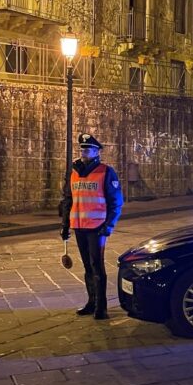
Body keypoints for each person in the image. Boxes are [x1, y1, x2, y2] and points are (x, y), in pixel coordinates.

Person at [60, 133, 123, 320]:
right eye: (82, 148)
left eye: (88, 149)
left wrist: (108, 226)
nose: (84, 152)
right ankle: (91, 302)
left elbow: (116, 202)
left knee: (97, 266)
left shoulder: (106, 172)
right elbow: (68, 200)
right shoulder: (74, 172)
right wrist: (65, 225)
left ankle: (101, 307)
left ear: (97, 152)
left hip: (97, 227)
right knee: (87, 267)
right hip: (79, 226)